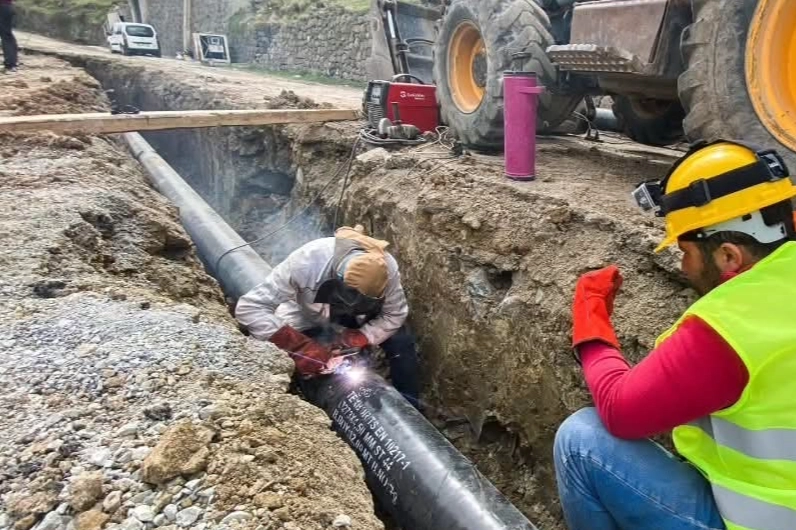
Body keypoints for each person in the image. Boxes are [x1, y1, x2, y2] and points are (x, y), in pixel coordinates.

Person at [554, 140, 796, 530]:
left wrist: (590, 319)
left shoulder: (736, 323)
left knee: (581, 441)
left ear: (729, 256)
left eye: (686, 251)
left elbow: (619, 409)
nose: (683, 265)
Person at [235, 225, 420, 405]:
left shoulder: (387, 269)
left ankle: (412, 409)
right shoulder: (307, 261)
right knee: (309, 359)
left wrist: (359, 337)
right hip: (306, 314)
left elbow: (395, 314)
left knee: (400, 340)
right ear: (337, 280)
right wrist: (299, 346)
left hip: (358, 318)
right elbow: (250, 307)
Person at [0, 0, 17, 74]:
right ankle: (11, 63)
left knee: (6, 36)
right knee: (7, 36)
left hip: (3, 7)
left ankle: (10, 64)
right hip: (7, 7)